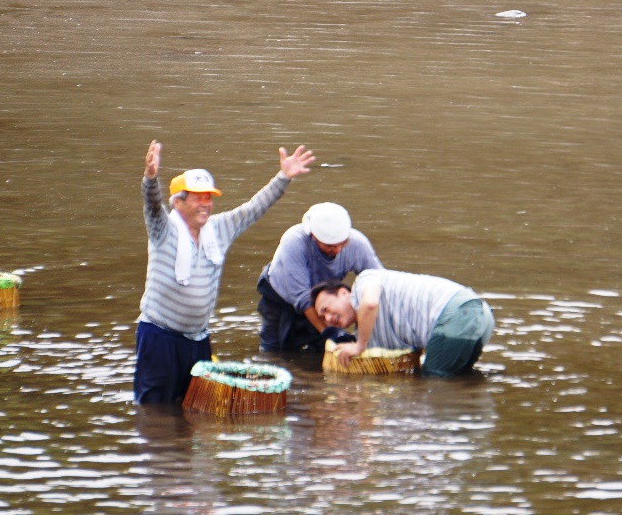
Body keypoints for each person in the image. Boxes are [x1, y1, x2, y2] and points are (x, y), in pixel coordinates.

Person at [135, 139, 315, 404]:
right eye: (198, 198)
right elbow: (152, 206)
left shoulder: (218, 229)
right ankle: (158, 446)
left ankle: (182, 445)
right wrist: (150, 178)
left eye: (208, 198)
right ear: (178, 202)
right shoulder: (164, 230)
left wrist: (283, 177)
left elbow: (252, 209)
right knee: (155, 408)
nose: (205, 204)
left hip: (198, 339)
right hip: (160, 335)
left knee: (196, 406)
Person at [310, 268, 494, 377]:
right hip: (480, 316)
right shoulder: (366, 330)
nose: (327, 318)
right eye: (322, 318)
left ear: (343, 293)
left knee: (433, 384)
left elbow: (371, 303)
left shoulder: (364, 281)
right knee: (462, 380)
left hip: (457, 313)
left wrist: (360, 346)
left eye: (326, 309)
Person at [257, 202, 384, 351]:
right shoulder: (294, 242)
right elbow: (302, 298)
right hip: (280, 298)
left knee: (322, 351)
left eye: (342, 244)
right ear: (313, 237)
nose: (337, 250)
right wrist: (329, 332)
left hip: (323, 303)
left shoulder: (357, 244)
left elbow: (379, 280)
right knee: (275, 350)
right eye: (330, 246)